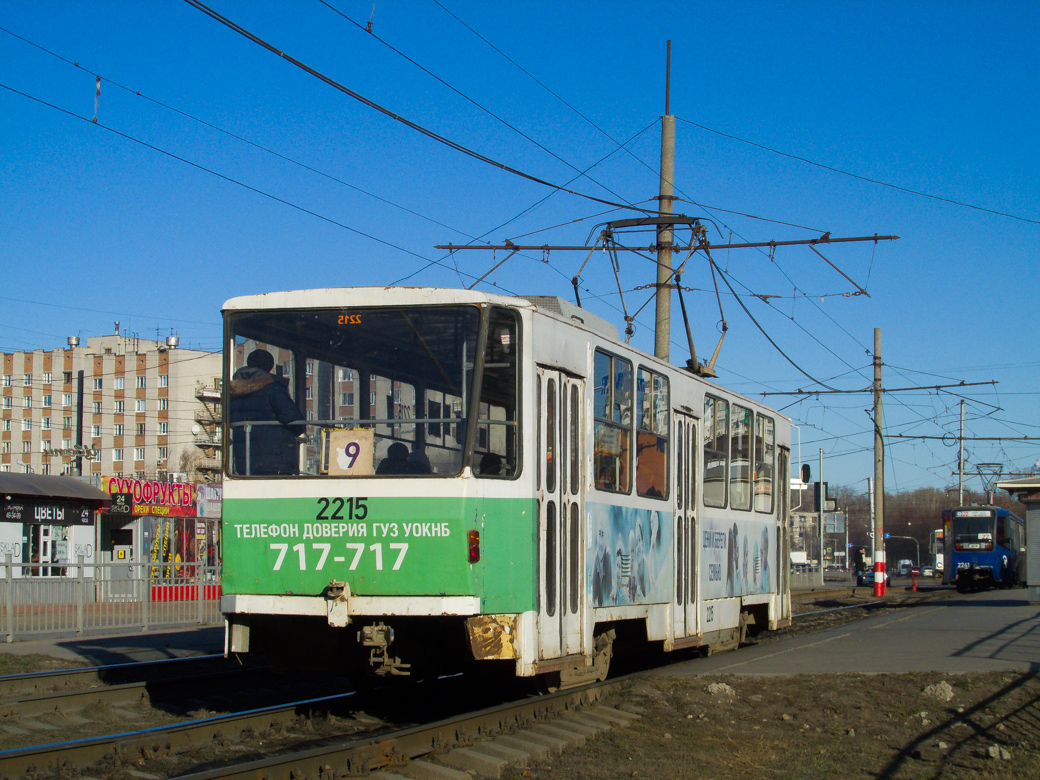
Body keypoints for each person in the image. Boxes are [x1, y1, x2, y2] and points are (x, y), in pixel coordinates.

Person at [229, 349, 306, 475]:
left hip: (244, 461)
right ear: (270, 367)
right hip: (274, 461)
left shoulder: (234, 391)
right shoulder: (272, 387)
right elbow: (294, 419)